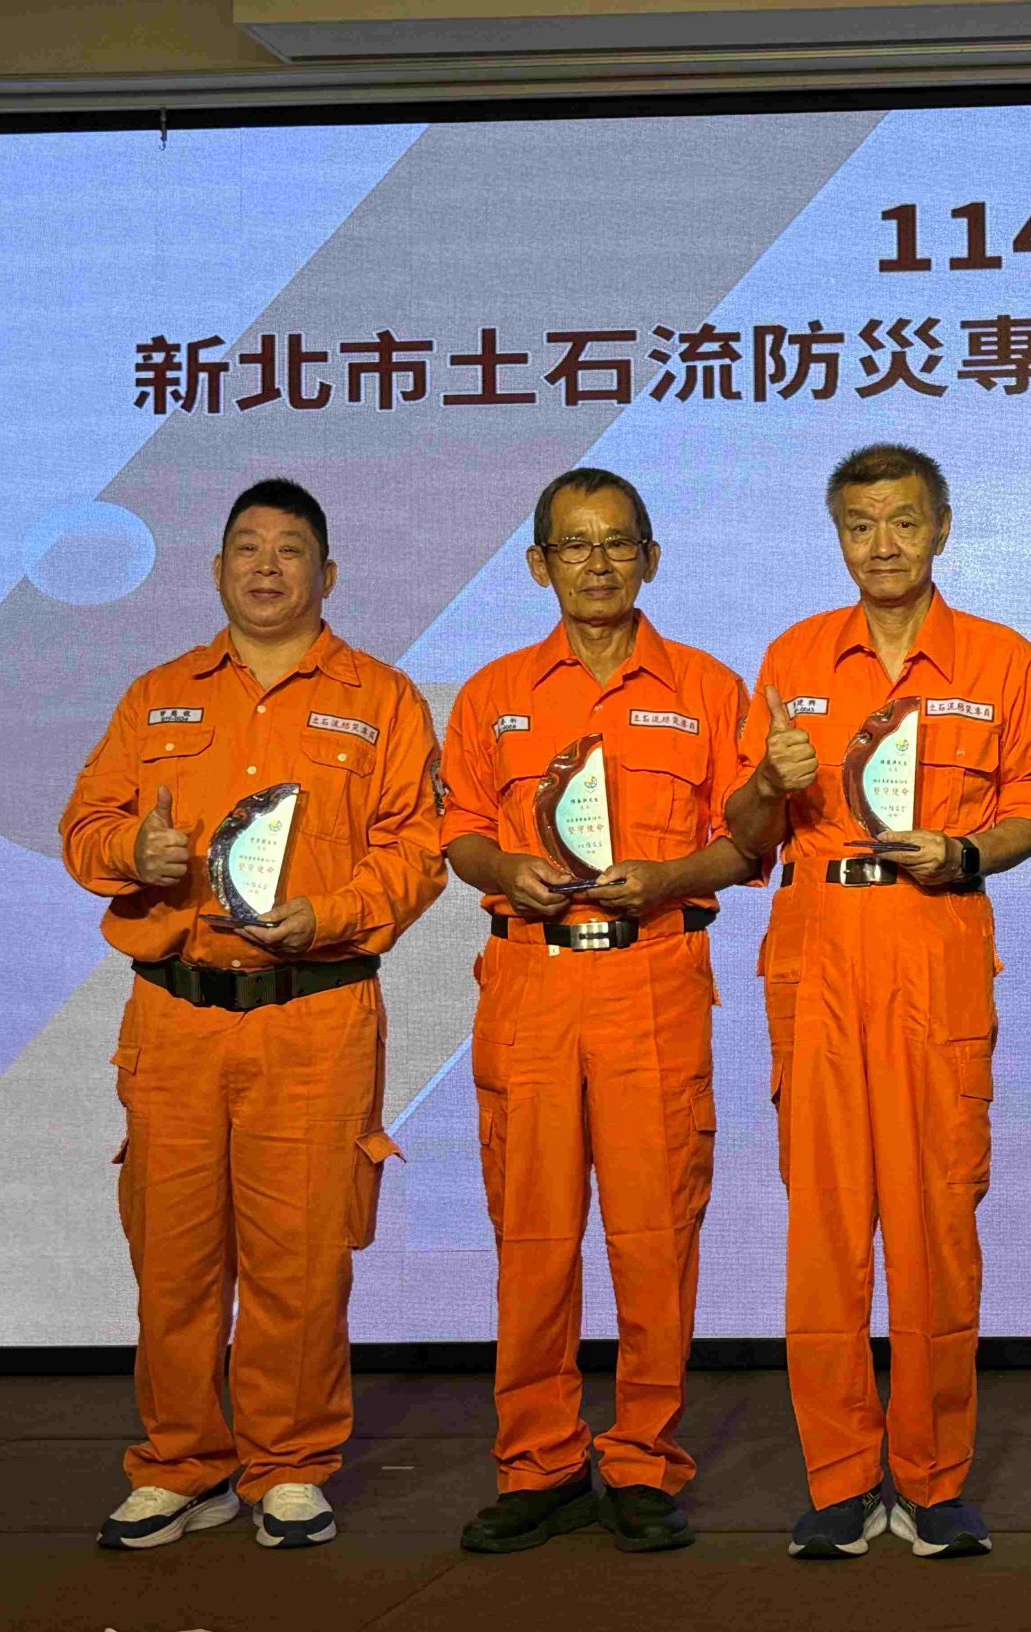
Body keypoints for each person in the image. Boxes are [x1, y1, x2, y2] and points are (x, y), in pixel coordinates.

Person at [62, 478, 446, 1552]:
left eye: (289, 550)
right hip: (177, 1018)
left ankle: (289, 1465)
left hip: (313, 1015)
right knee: (174, 1257)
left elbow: (416, 852)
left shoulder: (383, 699)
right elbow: (85, 823)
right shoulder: (157, 697)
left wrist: (331, 915)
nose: (266, 567)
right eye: (246, 548)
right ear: (216, 570)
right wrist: (131, 851)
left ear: (328, 575)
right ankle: (183, 1465)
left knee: (301, 1256)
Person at [726, 444, 1031, 1562]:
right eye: (860, 525)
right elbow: (745, 836)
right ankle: (840, 1478)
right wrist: (767, 781)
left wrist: (966, 850)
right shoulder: (793, 658)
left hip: (934, 942)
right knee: (825, 1228)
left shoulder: (1002, 659)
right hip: (818, 952)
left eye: (904, 521)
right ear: (839, 538)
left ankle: (932, 1478)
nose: (883, 545)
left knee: (935, 1225)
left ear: (941, 528)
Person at [441, 467, 752, 1557]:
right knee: (532, 1236)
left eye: (618, 542)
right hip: (529, 985)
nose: (598, 563)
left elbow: (748, 841)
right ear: (539, 566)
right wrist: (503, 866)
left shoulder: (709, 688)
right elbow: (459, 830)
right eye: (574, 546)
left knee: (655, 1233)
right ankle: (538, 1462)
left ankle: (642, 1460)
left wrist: (670, 877)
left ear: (651, 557)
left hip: (652, 978)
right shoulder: (491, 694)